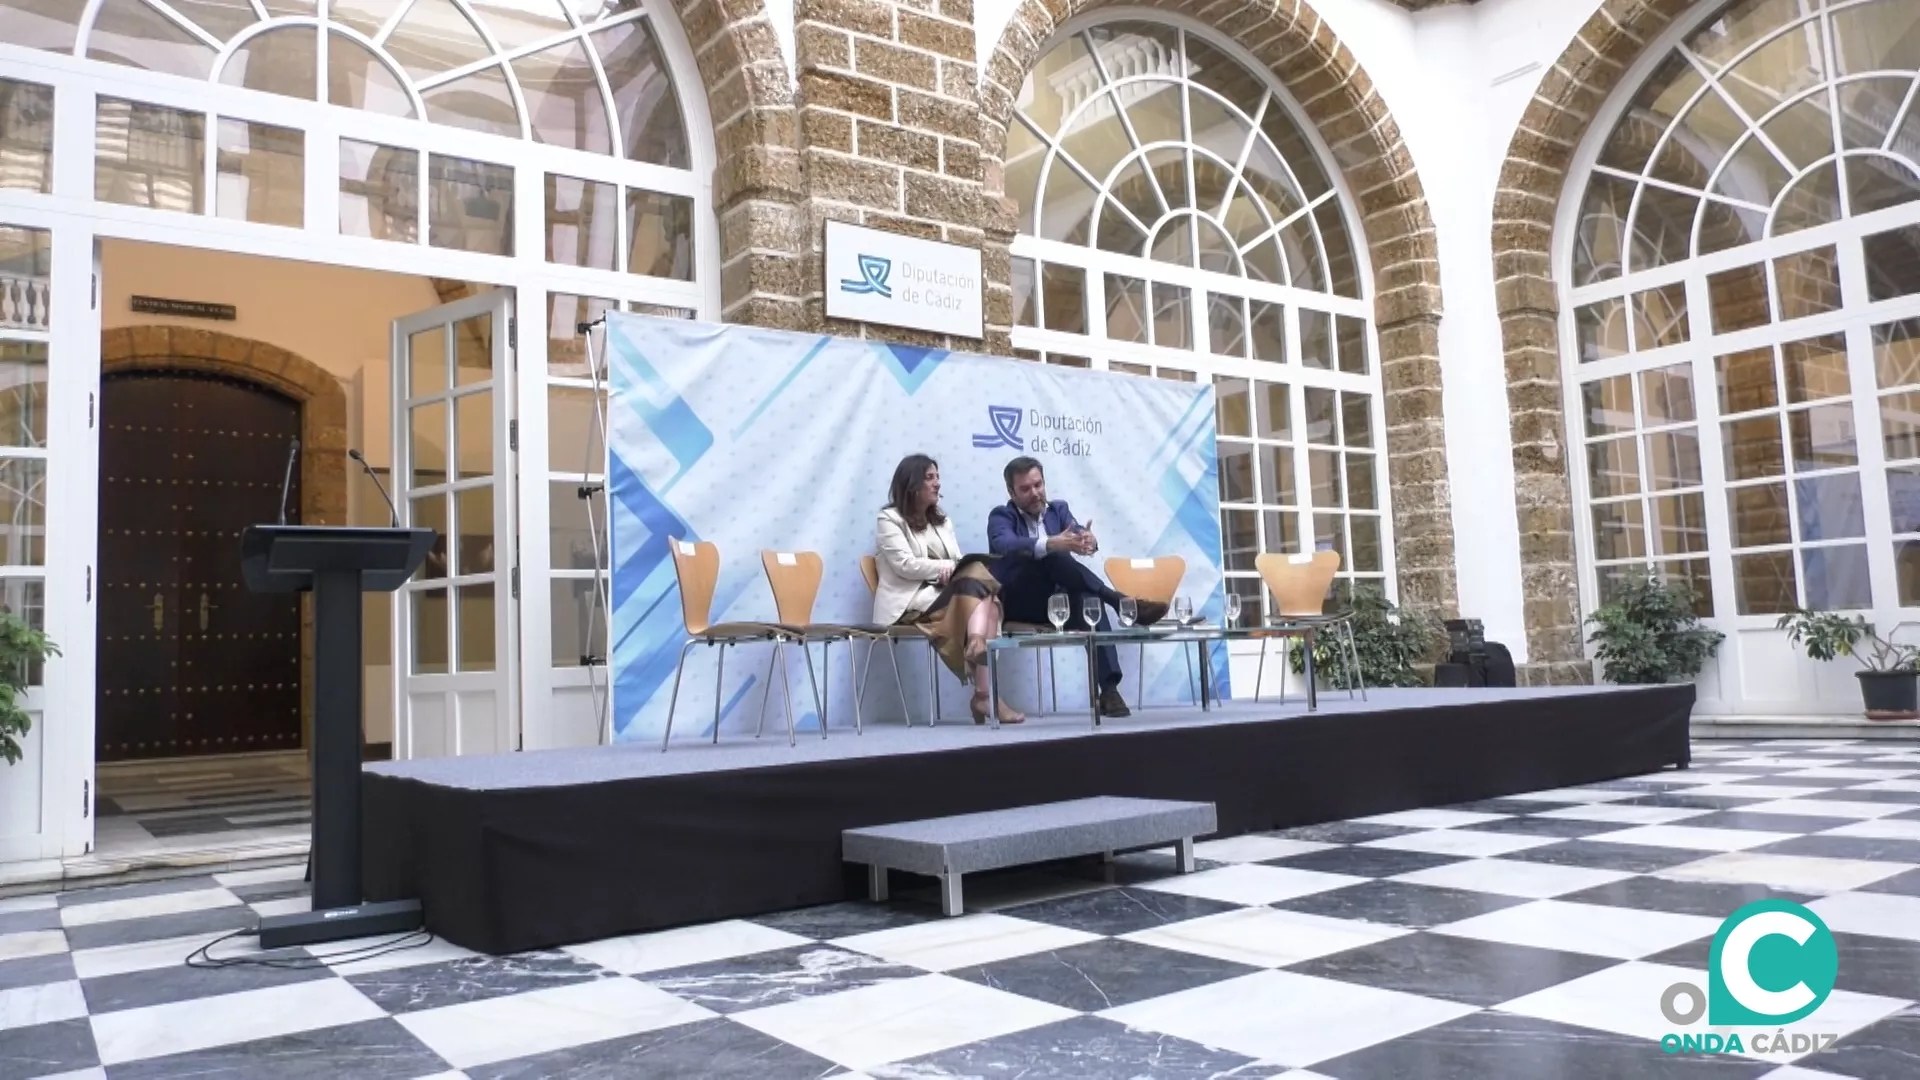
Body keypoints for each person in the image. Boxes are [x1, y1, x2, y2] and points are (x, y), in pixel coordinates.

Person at [987, 456, 1167, 717]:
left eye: (1038, 485)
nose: (1035, 493)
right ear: (1011, 492)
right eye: (1025, 489)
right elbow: (1007, 545)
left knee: (1088, 601)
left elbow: (1080, 535)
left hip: (1057, 603)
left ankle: (1109, 690)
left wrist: (1088, 541)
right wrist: (1051, 544)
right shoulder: (1001, 516)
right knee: (1053, 553)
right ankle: (1118, 600)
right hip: (1020, 602)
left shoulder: (1058, 510)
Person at [874, 454, 1026, 725]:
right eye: (930, 478)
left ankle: (981, 674)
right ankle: (984, 689)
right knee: (983, 589)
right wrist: (944, 570)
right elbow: (904, 565)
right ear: (912, 484)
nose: (937, 484)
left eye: (938, 477)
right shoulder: (889, 519)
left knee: (984, 590)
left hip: (945, 596)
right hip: (910, 602)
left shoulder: (942, 520)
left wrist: (953, 570)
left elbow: (958, 560)